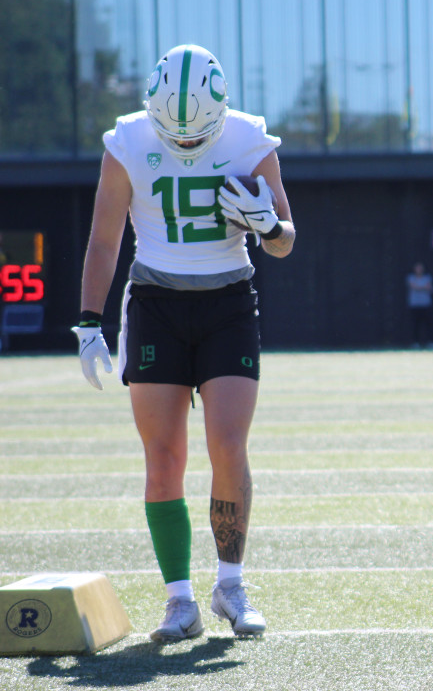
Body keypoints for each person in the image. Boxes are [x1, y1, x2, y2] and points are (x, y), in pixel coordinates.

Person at [70, 44, 295, 642]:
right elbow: (104, 237)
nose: (189, 145)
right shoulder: (127, 140)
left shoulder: (249, 137)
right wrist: (90, 319)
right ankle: (179, 599)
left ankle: (230, 584)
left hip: (227, 301)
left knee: (227, 444)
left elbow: (284, 240)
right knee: (164, 456)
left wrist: (270, 225)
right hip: (156, 304)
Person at [406, 261, 433, 348]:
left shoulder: (427, 277)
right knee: (415, 324)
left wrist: (419, 287)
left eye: (420, 268)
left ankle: (429, 342)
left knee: (428, 324)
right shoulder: (410, 277)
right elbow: (413, 287)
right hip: (415, 305)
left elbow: (429, 288)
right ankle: (415, 343)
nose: (419, 269)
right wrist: (423, 287)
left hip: (426, 304)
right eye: (417, 268)